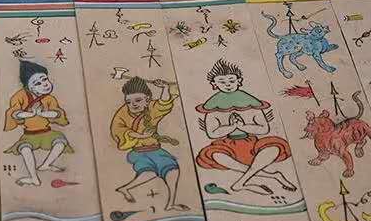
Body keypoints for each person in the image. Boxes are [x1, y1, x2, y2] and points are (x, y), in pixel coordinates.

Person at [195, 59, 296, 195]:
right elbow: (212, 133)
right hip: (228, 146)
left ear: (239, 81)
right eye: (222, 82)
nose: (228, 85)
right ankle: (273, 176)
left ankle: (240, 182)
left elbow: (264, 128)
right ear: (214, 84)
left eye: (231, 80)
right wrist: (231, 127)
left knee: (274, 147)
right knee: (214, 154)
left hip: (252, 144)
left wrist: (243, 127)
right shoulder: (213, 106)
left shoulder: (251, 102)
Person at [110, 76, 187, 211]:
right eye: (128, 102)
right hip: (139, 152)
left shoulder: (151, 108)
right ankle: (125, 188)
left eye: (138, 100)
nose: (133, 104)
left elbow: (163, 105)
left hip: (156, 150)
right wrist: (140, 136)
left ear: (147, 99)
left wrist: (165, 88)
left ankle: (171, 204)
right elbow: (118, 129)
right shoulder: (123, 113)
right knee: (149, 173)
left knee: (173, 171)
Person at [3, 61, 73, 186]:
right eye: (38, 83)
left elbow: (57, 113)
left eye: (45, 79)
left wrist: (44, 114)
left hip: (47, 132)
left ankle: (46, 164)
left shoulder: (49, 98)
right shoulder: (20, 96)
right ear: (29, 87)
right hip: (29, 134)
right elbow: (14, 113)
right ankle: (33, 178)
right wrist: (28, 114)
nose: (44, 84)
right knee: (25, 149)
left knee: (60, 142)